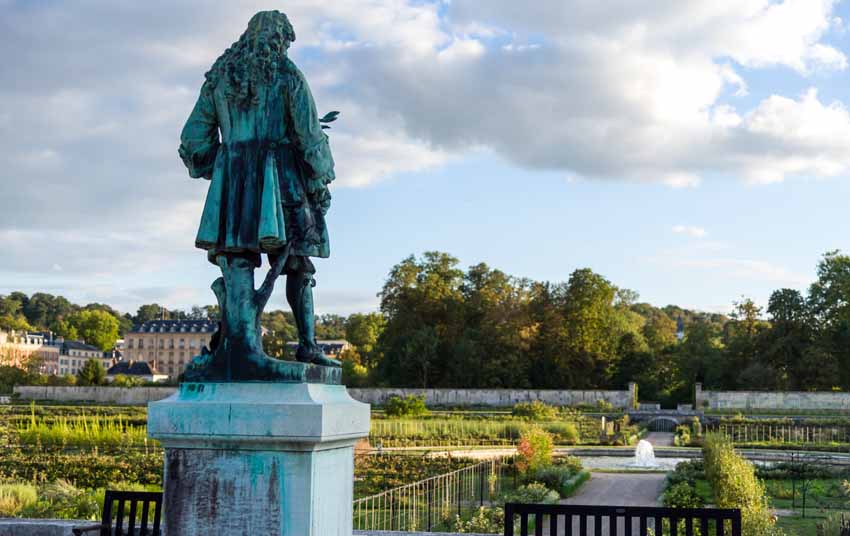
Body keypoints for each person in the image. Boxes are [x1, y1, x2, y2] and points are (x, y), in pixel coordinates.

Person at [178, 10, 339, 368]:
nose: (284, 47)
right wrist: (321, 178)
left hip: (233, 181)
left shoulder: (219, 79)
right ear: (278, 39)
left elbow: (193, 139)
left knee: (236, 259)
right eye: (284, 41)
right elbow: (310, 136)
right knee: (297, 262)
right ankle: (307, 346)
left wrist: (218, 164)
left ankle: (238, 344)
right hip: (280, 181)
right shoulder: (286, 75)